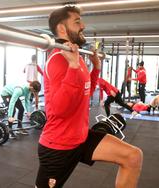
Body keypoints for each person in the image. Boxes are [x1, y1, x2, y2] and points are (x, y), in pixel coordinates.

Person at [35, 6, 143, 188]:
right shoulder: (57, 60)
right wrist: (74, 67)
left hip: (81, 138)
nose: (83, 25)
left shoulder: (76, 58)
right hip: (58, 145)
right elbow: (60, 110)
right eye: (77, 22)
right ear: (62, 28)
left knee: (133, 156)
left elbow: (85, 92)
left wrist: (96, 68)